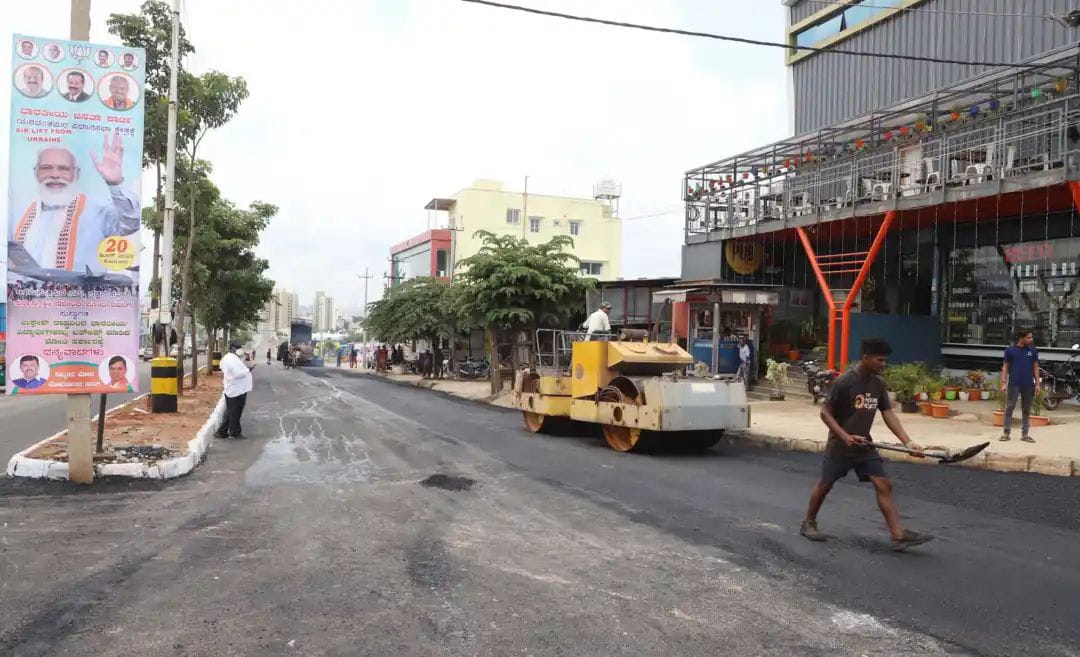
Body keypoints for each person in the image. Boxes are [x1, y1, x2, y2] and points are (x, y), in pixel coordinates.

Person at [800, 338, 932, 551]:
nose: (883, 364)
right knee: (825, 485)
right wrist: (844, 436)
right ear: (866, 358)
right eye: (880, 360)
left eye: (885, 360)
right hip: (840, 446)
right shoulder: (844, 382)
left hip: (864, 446)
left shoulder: (878, 383)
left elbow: (888, 413)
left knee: (883, 484)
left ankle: (897, 535)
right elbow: (825, 413)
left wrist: (908, 442)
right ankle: (808, 522)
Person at [10, 137, 140, 275]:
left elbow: (130, 224)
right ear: (35, 173)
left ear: (76, 174)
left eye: (64, 169)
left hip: (80, 289)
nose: (55, 175)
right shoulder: (18, 214)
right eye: (46, 168)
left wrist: (115, 184)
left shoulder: (96, 212)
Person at [1000, 328, 1039, 443]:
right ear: (1021, 338)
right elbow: (1005, 367)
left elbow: (1035, 367)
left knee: (1026, 409)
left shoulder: (1033, 350)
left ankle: (1025, 434)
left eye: (1031, 337)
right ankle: (1006, 433)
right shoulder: (1010, 351)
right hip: (1014, 383)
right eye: (1028, 337)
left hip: (1028, 384)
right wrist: (1003, 383)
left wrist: (1037, 384)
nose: (1031, 339)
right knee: (1009, 407)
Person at [215, 340, 253, 440]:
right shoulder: (230, 359)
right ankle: (234, 432)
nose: (241, 349)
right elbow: (236, 374)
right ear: (232, 348)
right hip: (235, 389)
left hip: (237, 389)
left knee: (231, 412)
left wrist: (244, 362)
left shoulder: (232, 358)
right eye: (239, 347)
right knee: (235, 412)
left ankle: (222, 432)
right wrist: (248, 370)